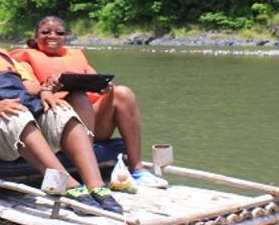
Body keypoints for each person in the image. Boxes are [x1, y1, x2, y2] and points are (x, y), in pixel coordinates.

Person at [0, 9, 124, 214]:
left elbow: (30, 86)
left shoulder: (7, 60)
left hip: (18, 120)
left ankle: (96, 186)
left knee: (61, 111)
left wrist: (46, 92)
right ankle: (67, 185)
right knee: (16, 115)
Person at [11, 15, 168, 190]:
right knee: (78, 97)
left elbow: (95, 80)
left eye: (59, 33)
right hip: (55, 126)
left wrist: (105, 88)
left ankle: (137, 169)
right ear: (35, 37)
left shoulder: (76, 55)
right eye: (45, 32)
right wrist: (49, 88)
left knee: (123, 93)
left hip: (90, 125)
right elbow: (28, 90)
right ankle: (88, 173)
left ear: (65, 37)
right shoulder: (24, 60)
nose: (52, 36)